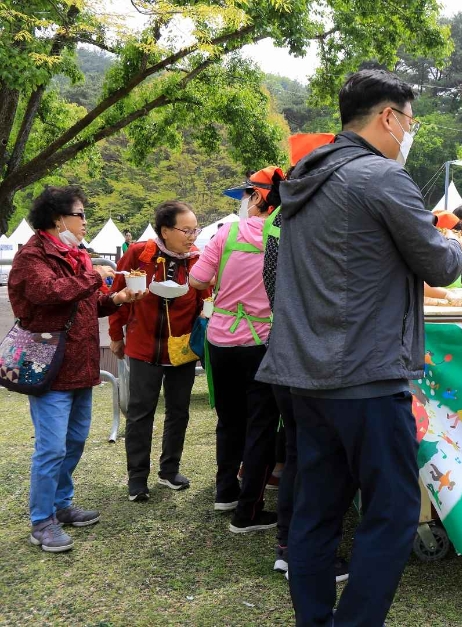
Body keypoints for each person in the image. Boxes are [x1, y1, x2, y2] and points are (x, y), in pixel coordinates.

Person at [255, 69, 462, 626]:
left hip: (302, 373)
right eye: (410, 121)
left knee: (316, 512)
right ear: (388, 117)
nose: (410, 133)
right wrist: (454, 242)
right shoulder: (380, 178)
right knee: (394, 510)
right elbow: (441, 264)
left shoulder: (302, 179)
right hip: (365, 374)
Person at [9, 186, 145, 552]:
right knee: (51, 448)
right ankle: (41, 522)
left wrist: (115, 299)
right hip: (50, 366)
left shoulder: (76, 254)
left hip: (81, 365)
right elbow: (46, 293)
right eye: (80, 214)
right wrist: (95, 274)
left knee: (73, 442)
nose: (85, 221)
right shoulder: (32, 255)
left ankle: (60, 505)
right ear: (58, 219)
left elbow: (85, 306)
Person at [260, 132, 349, 582]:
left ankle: (287, 544)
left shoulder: (280, 216)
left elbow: (273, 289)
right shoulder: (320, 213)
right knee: (318, 457)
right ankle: (307, 554)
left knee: (299, 453)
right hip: (315, 358)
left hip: (285, 353)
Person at [190, 167, 283, 533]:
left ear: (259, 198)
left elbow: (197, 280)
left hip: (220, 342)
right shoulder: (284, 238)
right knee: (261, 426)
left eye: (245, 196)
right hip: (262, 343)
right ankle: (247, 512)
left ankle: (225, 490)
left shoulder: (225, 234)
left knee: (229, 419)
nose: (241, 204)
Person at [109, 201, 205, 502]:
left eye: (195, 230)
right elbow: (120, 293)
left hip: (182, 348)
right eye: (186, 230)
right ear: (165, 230)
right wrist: (116, 334)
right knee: (140, 413)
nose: (192, 236)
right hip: (143, 346)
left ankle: (169, 470)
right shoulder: (140, 253)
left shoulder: (198, 259)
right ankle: (137, 478)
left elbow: (204, 298)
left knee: (179, 411)